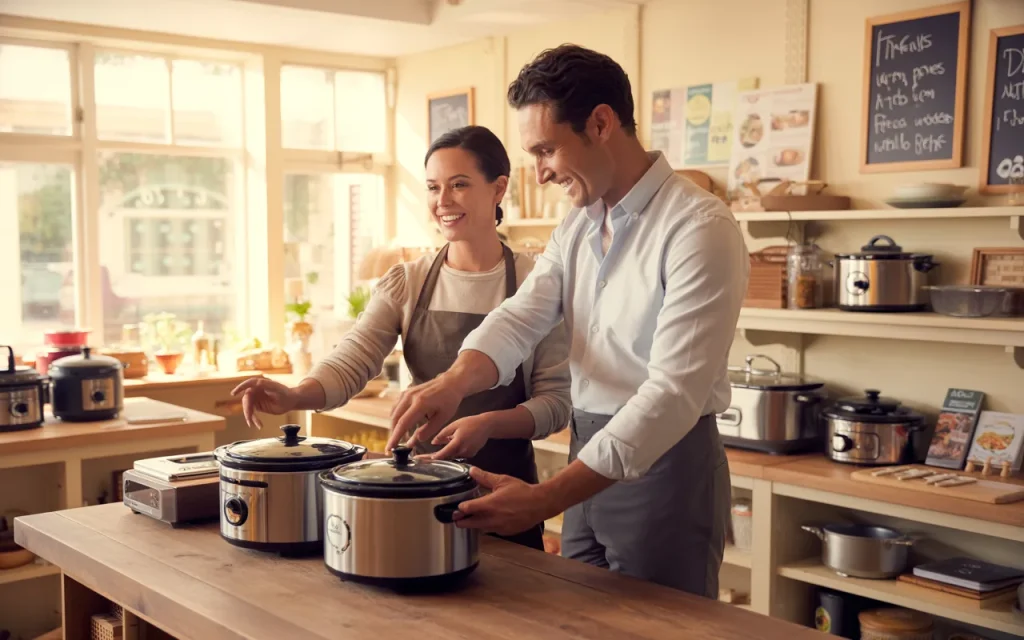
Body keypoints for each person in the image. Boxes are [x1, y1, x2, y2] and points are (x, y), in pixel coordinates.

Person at [388, 44, 750, 598]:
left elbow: (673, 394)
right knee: (577, 618)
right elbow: (524, 314)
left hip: (665, 468)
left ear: (601, 123)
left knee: (655, 631)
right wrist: (453, 382)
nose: (540, 172)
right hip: (587, 454)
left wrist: (546, 498)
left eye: (546, 150)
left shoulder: (698, 227)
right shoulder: (579, 224)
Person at [231, 125, 572, 552]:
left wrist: (489, 424)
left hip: (507, 498)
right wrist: (295, 395)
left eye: (459, 184)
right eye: (432, 187)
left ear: (498, 188)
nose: (442, 201)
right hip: (417, 493)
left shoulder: (537, 283)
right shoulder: (407, 282)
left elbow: (556, 405)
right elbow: (353, 359)